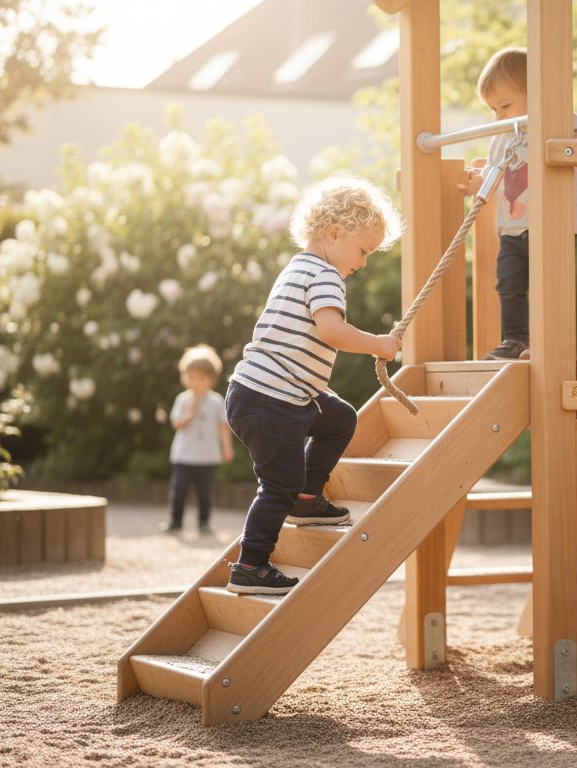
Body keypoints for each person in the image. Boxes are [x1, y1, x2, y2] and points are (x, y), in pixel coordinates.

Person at [224, 173, 403, 595]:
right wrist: (378, 343)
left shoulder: (298, 268)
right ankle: (251, 565)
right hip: (272, 399)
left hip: (278, 394)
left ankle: (308, 498)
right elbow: (331, 331)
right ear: (334, 233)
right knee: (277, 485)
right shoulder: (325, 276)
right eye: (363, 251)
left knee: (339, 417)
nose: (362, 263)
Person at [463, 46, 577, 360]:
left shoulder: (558, 124)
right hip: (512, 231)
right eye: (493, 109)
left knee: (549, 287)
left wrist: (548, 113)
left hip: (550, 227)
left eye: (505, 105)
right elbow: (496, 176)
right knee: (508, 285)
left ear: (538, 93)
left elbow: (574, 135)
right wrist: (480, 183)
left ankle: (550, 343)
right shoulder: (502, 138)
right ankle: (517, 340)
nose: (499, 115)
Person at [161, 344, 234, 535]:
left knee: (205, 494)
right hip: (183, 456)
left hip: (208, 457)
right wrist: (188, 414)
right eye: (189, 377)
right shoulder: (183, 399)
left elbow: (222, 426)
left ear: (210, 379)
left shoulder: (217, 401)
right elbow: (176, 423)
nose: (193, 382)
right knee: (178, 492)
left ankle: (204, 522)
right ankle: (175, 521)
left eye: (198, 378)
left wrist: (227, 448)